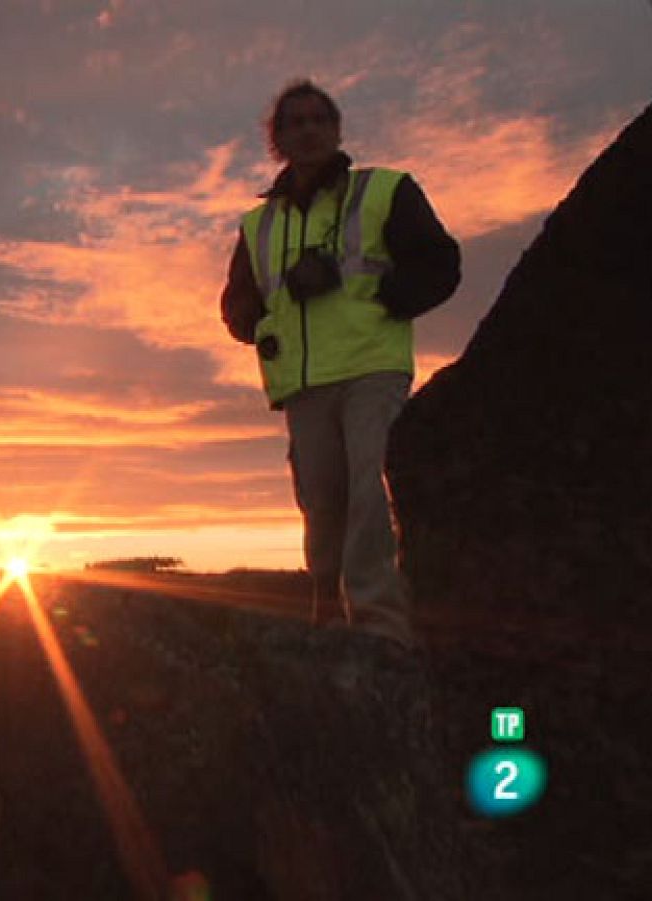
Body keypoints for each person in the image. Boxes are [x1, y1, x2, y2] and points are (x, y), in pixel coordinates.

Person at [219, 80, 460, 648]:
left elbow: (440, 263)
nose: (307, 130)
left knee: (370, 494)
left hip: (372, 368)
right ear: (277, 139)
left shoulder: (383, 190)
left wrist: (388, 299)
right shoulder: (258, 224)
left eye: (318, 120)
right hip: (303, 384)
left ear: (336, 130)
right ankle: (327, 624)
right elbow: (235, 302)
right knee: (322, 505)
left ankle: (382, 633)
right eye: (294, 122)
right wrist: (257, 323)